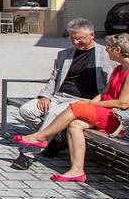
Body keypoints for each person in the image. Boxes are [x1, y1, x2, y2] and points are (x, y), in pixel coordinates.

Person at [12, 33, 129, 182]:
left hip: (118, 119)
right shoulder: (119, 69)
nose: (106, 50)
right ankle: (77, 170)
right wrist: (92, 103)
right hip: (104, 113)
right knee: (75, 124)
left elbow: (123, 104)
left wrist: (89, 104)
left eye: (109, 47)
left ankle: (40, 137)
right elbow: (104, 93)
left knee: (75, 107)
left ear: (118, 50)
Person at [17, 18, 112, 156]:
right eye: (72, 38)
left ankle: (29, 153)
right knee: (26, 110)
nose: (75, 42)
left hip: (82, 100)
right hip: (58, 95)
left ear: (92, 35)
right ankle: (58, 139)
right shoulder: (65, 54)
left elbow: (112, 83)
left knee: (53, 113)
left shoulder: (107, 56)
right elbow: (54, 77)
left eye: (79, 39)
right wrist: (45, 95)